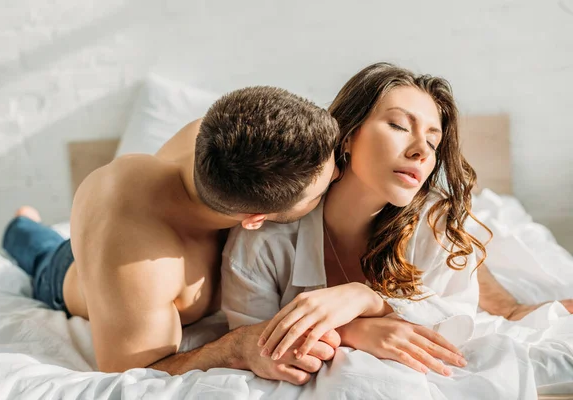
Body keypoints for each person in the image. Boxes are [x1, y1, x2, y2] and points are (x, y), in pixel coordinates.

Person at [221, 62, 573, 380]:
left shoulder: (435, 220)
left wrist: (365, 299)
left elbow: (451, 314)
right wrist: (351, 331)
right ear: (347, 135)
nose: (422, 151)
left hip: (436, 228)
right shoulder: (264, 236)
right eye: (399, 125)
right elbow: (258, 344)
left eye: (433, 142)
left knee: (493, 286)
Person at [1, 86, 342, 384]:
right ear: (254, 219)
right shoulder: (141, 258)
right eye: (319, 192)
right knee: (37, 249)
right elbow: (129, 370)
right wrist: (237, 347)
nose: (340, 175)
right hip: (65, 276)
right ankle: (21, 224)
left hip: (116, 243)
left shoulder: (224, 137)